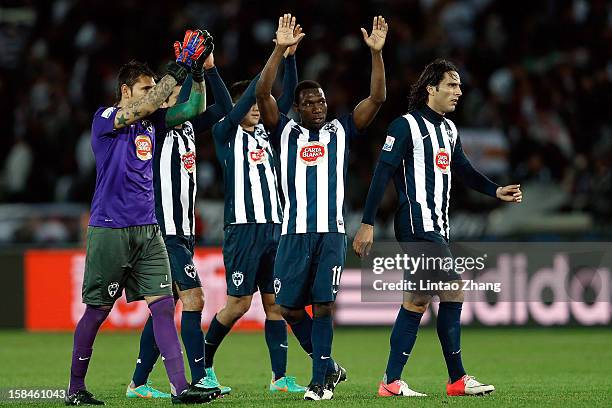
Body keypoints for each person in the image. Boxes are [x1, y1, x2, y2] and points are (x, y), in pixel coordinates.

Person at [66, 30, 221, 405]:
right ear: (125, 91)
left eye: (154, 87)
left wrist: (197, 72)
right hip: (110, 229)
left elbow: (195, 109)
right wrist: (180, 67)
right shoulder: (105, 118)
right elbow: (146, 105)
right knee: (98, 311)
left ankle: (181, 387)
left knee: (165, 307)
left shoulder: (153, 124)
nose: (154, 93)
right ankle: (75, 388)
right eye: (146, 88)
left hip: (149, 231)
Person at [352, 58, 522, 397]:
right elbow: (381, 174)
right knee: (454, 288)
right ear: (432, 88)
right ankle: (457, 378)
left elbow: (464, 169)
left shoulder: (448, 129)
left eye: (459, 86)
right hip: (416, 223)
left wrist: (495, 190)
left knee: (416, 300)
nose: (459, 92)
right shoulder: (405, 126)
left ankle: (391, 381)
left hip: (437, 226)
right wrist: (367, 223)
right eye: (452, 85)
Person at [256, 14, 387, 400]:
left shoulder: (341, 130)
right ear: (296, 107)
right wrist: (280, 50)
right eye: (309, 102)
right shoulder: (286, 132)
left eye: (322, 101)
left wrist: (377, 55)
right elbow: (263, 94)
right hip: (292, 232)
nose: (318, 107)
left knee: (324, 305)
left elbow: (377, 98)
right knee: (288, 308)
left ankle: (319, 382)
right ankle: (328, 366)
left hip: (330, 232)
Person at [126, 37, 235, 399]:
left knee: (166, 305)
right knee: (194, 300)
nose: (164, 93)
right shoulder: (158, 124)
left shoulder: (186, 126)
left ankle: (138, 383)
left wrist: (205, 70)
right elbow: (186, 108)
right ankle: (202, 376)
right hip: (164, 230)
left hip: (182, 230)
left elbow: (223, 108)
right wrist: (186, 67)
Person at [200, 24, 306, 395]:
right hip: (243, 229)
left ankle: (280, 378)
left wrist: (289, 58)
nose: (260, 109)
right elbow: (243, 100)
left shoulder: (270, 134)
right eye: (254, 104)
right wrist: (214, 71)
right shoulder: (226, 134)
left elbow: (288, 98)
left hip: (274, 228)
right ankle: (204, 366)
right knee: (237, 305)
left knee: (276, 304)